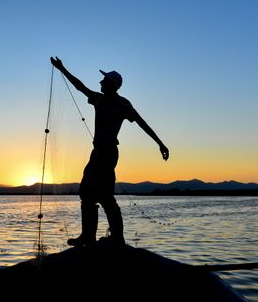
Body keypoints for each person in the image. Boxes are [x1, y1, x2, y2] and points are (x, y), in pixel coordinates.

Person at [50, 56, 169, 246]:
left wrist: (160, 143)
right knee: (90, 194)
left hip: (106, 153)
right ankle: (93, 236)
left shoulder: (117, 103)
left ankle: (112, 238)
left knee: (100, 195)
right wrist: (62, 69)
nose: (100, 82)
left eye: (104, 80)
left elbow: (142, 123)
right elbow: (80, 87)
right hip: (101, 152)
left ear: (111, 85)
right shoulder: (108, 101)